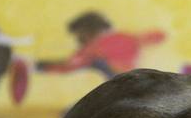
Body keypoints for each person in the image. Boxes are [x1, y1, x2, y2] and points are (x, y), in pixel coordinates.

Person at [36, 10, 166, 78]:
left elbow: (69, 65)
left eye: (80, 34)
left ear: (88, 29)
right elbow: (158, 36)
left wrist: (40, 66)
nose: (79, 39)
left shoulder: (92, 49)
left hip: (119, 87)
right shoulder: (127, 37)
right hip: (131, 83)